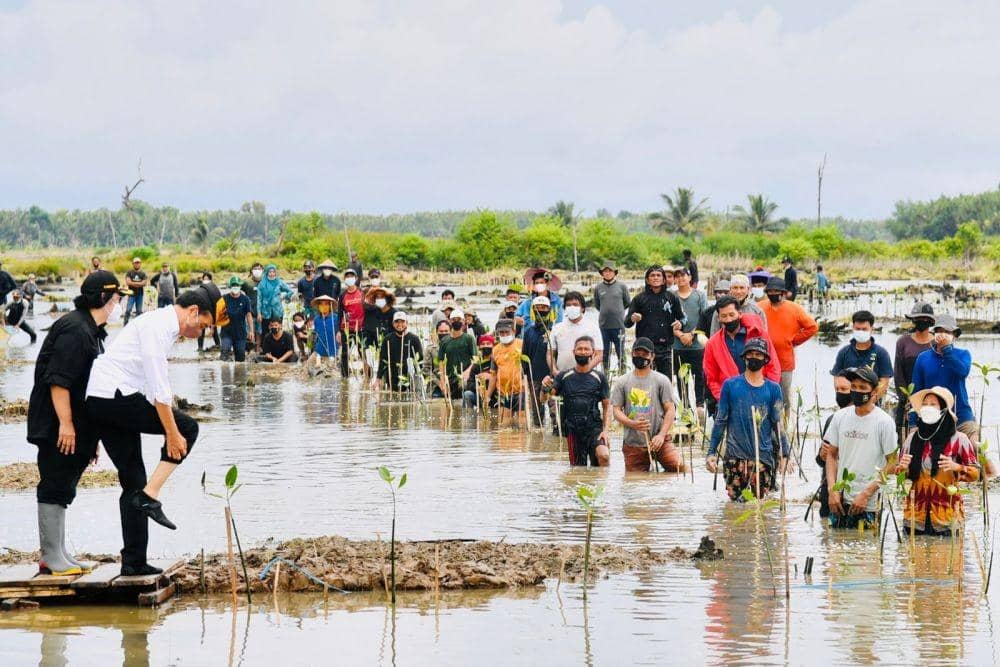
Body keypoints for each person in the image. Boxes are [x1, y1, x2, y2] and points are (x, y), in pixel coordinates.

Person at [86, 289, 212, 576]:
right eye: (203, 325)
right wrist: (172, 432)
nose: (200, 332)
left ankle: (133, 562)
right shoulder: (158, 326)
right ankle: (151, 495)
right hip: (115, 397)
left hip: (104, 400)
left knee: (133, 480)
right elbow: (159, 390)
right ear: (192, 311)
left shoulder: (159, 325)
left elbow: (147, 386)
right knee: (188, 428)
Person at [27, 271, 126, 575]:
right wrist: (67, 425)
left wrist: (90, 437)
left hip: (77, 426)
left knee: (65, 486)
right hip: (57, 425)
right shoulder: (74, 330)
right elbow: (59, 383)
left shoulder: (91, 330)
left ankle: (59, 553)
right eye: (116, 298)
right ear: (102, 299)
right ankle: (50, 556)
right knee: (54, 484)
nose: (119, 303)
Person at [707, 338, 789, 501]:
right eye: (750, 354)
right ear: (744, 358)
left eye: (758, 354)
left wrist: (784, 454)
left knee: (758, 505)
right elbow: (721, 420)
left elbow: (778, 423)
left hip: (762, 459)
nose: (754, 357)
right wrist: (711, 452)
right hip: (734, 458)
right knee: (736, 507)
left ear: (765, 359)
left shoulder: (773, 389)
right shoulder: (730, 385)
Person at [895, 386, 980, 535]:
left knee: (947, 557)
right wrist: (902, 468)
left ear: (943, 409)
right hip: (915, 517)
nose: (928, 407)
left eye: (933, 404)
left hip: (947, 518)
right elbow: (900, 473)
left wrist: (957, 467)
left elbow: (975, 474)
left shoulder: (959, 440)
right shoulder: (911, 439)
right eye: (925, 404)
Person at [824, 366, 897, 528]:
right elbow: (831, 455)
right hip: (840, 498)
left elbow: (892, 463)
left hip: (869, 502)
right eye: (854, 387)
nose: (857, 391)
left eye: (863, 388)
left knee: (868, 547)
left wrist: (866, 493)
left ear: (874, 392)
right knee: (836, 547)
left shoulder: (884, 422)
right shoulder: (840, 417)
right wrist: (832, 490)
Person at [611, 338, 682, 472]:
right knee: (635, 482)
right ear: (632, 354)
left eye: (645, 354)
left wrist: (661, 435)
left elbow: (670, 410)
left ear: (652, 356)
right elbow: (616, 410)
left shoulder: (662, 380)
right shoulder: (622, 382)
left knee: (680, 468)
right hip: (633, 443)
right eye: (637, 353)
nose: (640, 357)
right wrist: (631, 423)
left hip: (660, 440)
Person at [542, 336, 612, 467]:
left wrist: (606, 431)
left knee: (604, 456)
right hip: (573, 430)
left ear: (592, 352)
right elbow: (545, 398)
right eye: (580, 349)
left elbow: (607, 406)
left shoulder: (599, 377)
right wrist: (544, 387)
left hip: (594, 428)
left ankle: (605, 487)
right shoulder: (564, 377)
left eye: (586, 349)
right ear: (573, 352)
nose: (583, 351)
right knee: (578, 470)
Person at [703, 297, 781, 413]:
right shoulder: (713, 344)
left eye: (731, 314)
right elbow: (711, 377)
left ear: (739, 314)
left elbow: (773, 366)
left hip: (760, 394)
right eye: (724, 316)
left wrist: (767, 393)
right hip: (730, 399)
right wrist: (723, 398)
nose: (728, 320)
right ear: (718, 318)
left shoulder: (758, 335)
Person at [910, 313, 977, 443]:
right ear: (934, 333)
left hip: (961, 416)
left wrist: (946, 349)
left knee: (976, 449)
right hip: (932, 418)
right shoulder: (923, 358)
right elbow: (916, 391)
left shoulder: (963, 354)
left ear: (954, 335)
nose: (942, 334)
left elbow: (962, 372)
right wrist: (913, 424)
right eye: (939, 331)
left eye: (947, 332)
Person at [758, 276, 818, 403]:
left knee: (784, 397)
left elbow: (812, 327)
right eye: (770, 291)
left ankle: (785, 422)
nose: (773, 294)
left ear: (783, 293)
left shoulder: (794, 308)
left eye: (776, 291)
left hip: (784, 361)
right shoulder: (760, 307)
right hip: (762, 360)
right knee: (763, 395)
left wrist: (794, 340)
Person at [625, 266, 686, 375]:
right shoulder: (639, 299)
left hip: (665, 348)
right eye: (652, 275)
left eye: (658, 275)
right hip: (644, 349)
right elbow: (627, 323)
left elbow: (682, 318)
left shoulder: (671, 297)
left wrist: (680, 323)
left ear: (664, 280)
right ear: (647, 280)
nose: (655, 278)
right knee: (644, 385)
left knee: (666, 383)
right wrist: (633, 318)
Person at [812, 372, 854, 519]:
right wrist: (822, 455)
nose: (840, 393)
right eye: (837, 390)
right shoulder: (832, 420)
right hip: (828, 492)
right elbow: (821, 461)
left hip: (852, 491)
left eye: (844, 389)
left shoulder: (865, 421)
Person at [830, 310, 893, 400]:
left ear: (872, 329)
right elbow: (837, 379)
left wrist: (869, 403)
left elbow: (884, 382)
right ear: (853, 328)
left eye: (864, 329)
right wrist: (845, 400)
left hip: (873, 405)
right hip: (848, 404)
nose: (861, 332)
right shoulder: (844, 352)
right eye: (858, 329)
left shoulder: (881, 353)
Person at [894, 303, 935, 430]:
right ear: (913, 320)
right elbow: (898, 374)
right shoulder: (903, 342)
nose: (921, 322)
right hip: (908, 399)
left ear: (931, 321)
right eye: (918, 319)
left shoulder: (937, 343)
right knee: (905, 438)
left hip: (932, 400)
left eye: (925, 319)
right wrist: (906, 400)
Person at [672, 267, 708, 408]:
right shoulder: (671, 296)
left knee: (700, 378)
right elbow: (668, 319)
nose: (681, 278)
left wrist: (691, 334)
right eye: (678, 276)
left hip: (697, 345)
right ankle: (686, 411)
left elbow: (704, 318)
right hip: (678, 345)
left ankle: (700, 407)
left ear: (690, 277)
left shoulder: (700, 296)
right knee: (682, 380)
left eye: (684, 275)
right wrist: (681, 335)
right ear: (675, 279)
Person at [521, 296, 555, 426]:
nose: (541, 310)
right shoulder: (529, 331)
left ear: (549, 309)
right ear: (533, 310)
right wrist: (525, 375)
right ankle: (538, 437)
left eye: (544, 307)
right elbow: (525, 354)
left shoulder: (555, 329)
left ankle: (556, 434)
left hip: (551, 376)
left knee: (554, 409)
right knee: (537, 411)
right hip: (534, 376)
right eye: (538, 308)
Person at [551, 291, 603, 373]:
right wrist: (554, 371)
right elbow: (550, 354)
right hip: (562, 375)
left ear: (582, 308)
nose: (572, 307)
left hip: (587, 375)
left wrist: (585, 370)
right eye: (568, 305)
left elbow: (599, 354)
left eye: (575, 305)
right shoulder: (557, 328)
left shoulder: (593, 327)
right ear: (564, 308)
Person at [593, 261, 630, 373]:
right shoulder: (598, 288)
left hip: (619, 325)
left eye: (610, 271)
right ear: (602, 273)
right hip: (604, 326)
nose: (607, 273)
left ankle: (622, 374)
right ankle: (605, 376)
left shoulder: (622, 286)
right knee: (605, 353)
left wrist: (617, 311)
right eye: (605, 271)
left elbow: (627, 303)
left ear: (615, 272)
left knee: (621, 352)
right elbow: (597, 305)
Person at [375, 311, 422, 391]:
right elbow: (383, 360)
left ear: (407, 323)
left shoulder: (414, 339)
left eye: (402, 321)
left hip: (410, 378)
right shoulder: (387, 339)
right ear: (393, 324)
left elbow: (420, 361)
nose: (399, 324)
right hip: (392, 378)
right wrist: (378, 379)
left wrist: (420, 379)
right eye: (397, 322)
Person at [485, 319, 524, 416]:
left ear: (513, 332)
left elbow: (530, 369)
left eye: (507, 332)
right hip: (503, 392)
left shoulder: (522, 345)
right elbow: (493, 375)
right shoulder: (495, 350)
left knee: (522, 424)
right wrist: (488, 396)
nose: (504, 335)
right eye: (501, 332)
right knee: (504, 425)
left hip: (520, 391)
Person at [437, 308, 476, 400]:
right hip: (450, 379)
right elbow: (441, 362)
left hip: (465, 379)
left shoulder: (469, 339)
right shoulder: (444, 340)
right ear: (450, 321)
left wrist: (467, 372)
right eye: (454, 320)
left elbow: (476, 359)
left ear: (463, 321)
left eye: (459, 320)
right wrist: (442, 381)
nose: (456, 322)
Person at [339, 268, 366, 375]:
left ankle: (367, 375)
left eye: (351, 276)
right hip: (347, 329)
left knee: (362, 352)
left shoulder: (362, 293)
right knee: (345, 353)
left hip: (361, 328)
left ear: (356, 278)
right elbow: (340, 314)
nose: (350, 278)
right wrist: (338, 331)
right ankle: (344, 377)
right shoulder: (342, 295)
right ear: (345, 279)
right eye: (347, 276)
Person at [220, 276, 254, 362]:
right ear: (230, 286)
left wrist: (251, 331)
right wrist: (213, 327)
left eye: (237, 285)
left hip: (240, 332)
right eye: (233, 285)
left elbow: (249, 315)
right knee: (225, 352)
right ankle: (225, 373)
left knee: (240, 357)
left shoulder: (245, 299)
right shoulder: (224, 298)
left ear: (240, 286)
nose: (235, 287)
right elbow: (218, 315)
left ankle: (239, 375)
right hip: (226, 331)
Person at [362, 287, 397, 365]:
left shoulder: (394, 313)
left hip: (392, 346)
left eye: (382, 297)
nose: (379, 299)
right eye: (377, 297)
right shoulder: (374, 312)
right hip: (380, 345)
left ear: (387, 298)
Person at [464, 334, 497, 409]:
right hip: (480, 397)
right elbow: (470, 383)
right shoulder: (477, 364)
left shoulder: (497, 361)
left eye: (488, 343)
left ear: (493, 346)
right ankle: (469, 417)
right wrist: (478, 388)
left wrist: (490, 377)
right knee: (467, 394)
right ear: (479, 347)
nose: (485, 346)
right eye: (483, 344)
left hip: (496, 397)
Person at [311, 295, 340, 371]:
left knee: (332, 368)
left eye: (326, 304)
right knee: (311, 368)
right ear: (318, 306)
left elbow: (340, 333)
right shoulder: (316, 319)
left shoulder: (336, 318)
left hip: (333, 349)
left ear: (330, 306)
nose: (323, 306)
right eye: (321, 304)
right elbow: (316, 334)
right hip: (320, 349)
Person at [197, 272, 220, 352]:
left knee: (214, 331)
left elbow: (217, 301)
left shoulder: (214, 288)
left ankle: (218, 345)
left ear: (211, 280)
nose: (206, 280)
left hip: (212, 311)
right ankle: (200, 348)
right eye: (204, 279)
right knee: (201, 330)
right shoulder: (201, 289)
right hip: (203, 311)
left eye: (207, 279)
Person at [124, 258, 147, 324]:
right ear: (133, 264)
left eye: (138, 263)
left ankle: (138, 325)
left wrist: (133, 283)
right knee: (128, 310)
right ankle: (125, 324)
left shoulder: (143, 273)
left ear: (140, 264)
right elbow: (128, 282)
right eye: (136, 263)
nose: (137, 264)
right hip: (131, 294)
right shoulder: (129, 273)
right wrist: (139, 284)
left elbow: (144, 283)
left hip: (140, 295)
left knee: (139, 311)